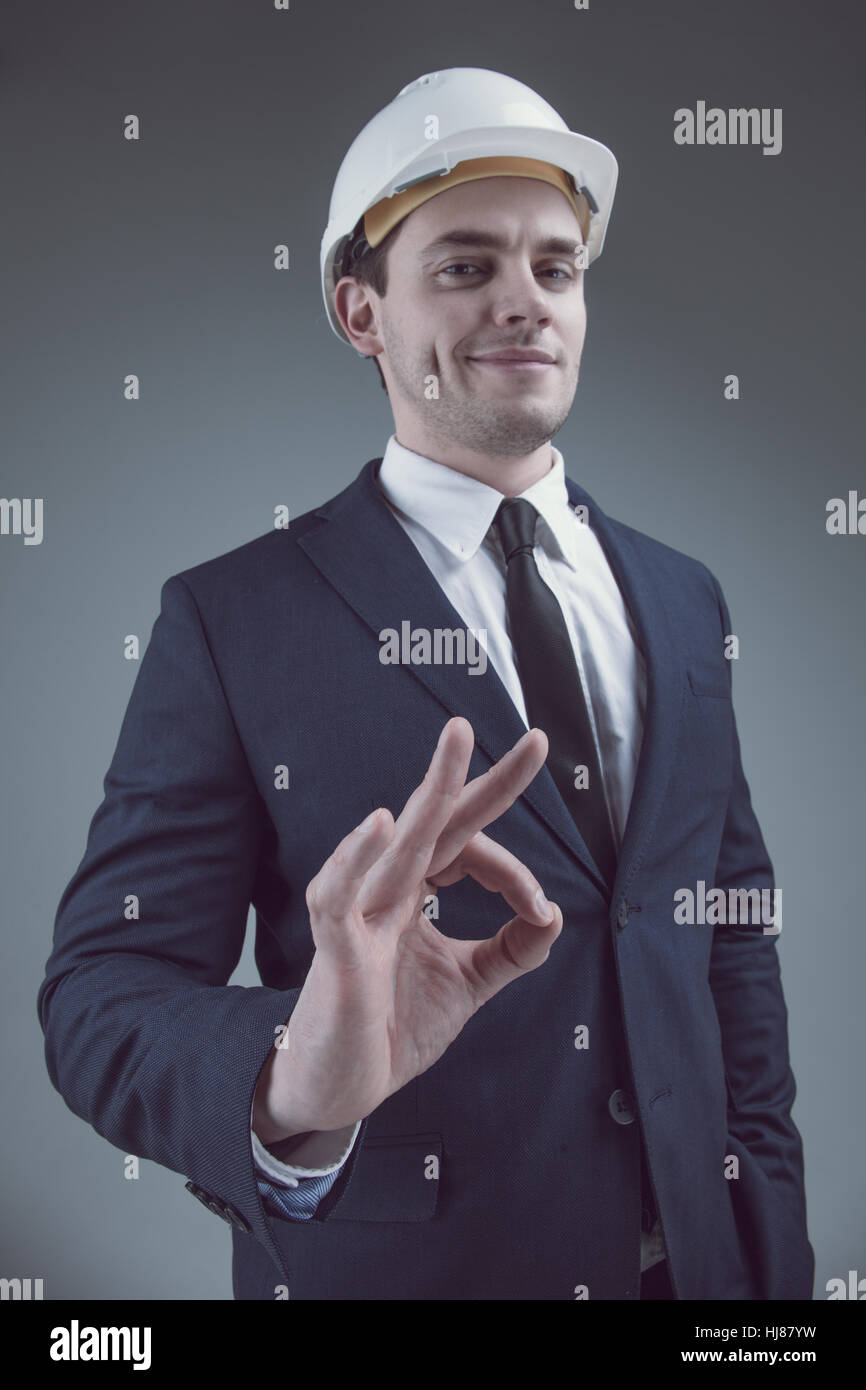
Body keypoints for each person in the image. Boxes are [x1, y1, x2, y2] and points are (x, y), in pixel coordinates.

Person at [38, 68, 814, 1301]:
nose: (524, 300)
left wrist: (769, 1252)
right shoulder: (232, 619)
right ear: (362, 313)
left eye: (554, 267)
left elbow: (729, 958)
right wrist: (299, 1071)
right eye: (463, 267)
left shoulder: (682, 597)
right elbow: (100, 996)